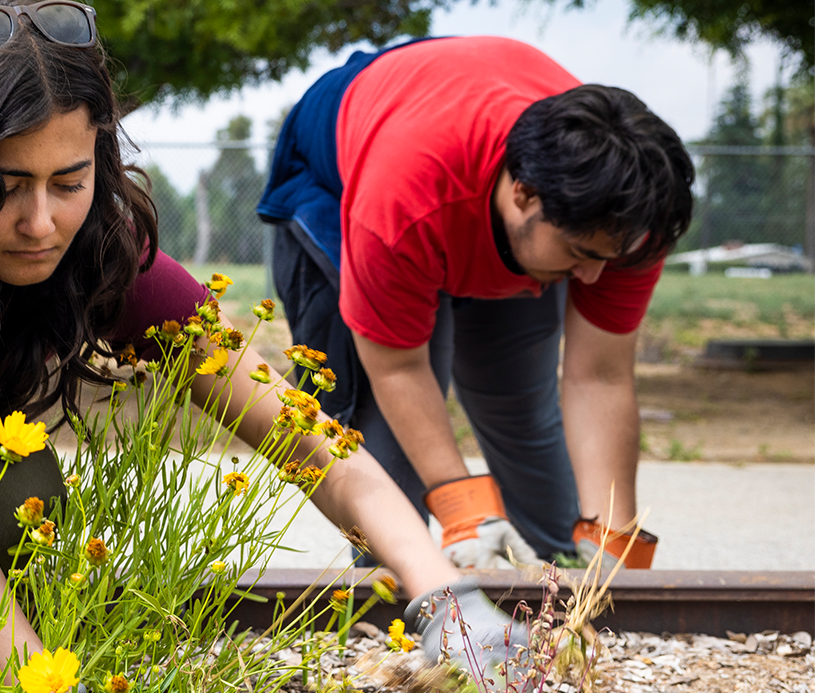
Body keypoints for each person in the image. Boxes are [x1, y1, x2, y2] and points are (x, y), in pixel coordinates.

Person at [0, 1, 509, 688]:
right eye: (3, 187)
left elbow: (309, 441)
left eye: (68, 183)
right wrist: (42, 684)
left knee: (25, 506)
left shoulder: (100, 250)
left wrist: (447, 595)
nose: (41, 224)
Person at [258, 36, 693, 571]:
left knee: (518, 403)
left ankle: (562, 583)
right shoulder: (402, 200)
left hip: (481, 191)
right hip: (343, 181)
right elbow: (399, 365)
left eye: (611, 257)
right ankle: (406, 596)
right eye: (581, 254)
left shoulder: (626, 218)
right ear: (524, 194)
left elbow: (598, 378)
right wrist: (461, 507)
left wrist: (614, 539)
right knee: (384, 442)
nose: (593, 277)